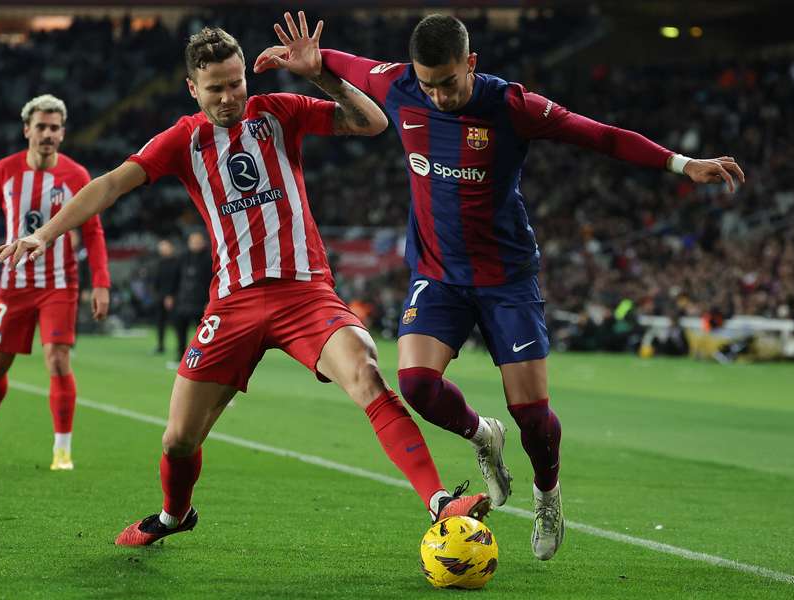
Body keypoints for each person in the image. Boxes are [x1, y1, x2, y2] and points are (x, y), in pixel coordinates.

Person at [256, 12, 745, 561]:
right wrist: (311, 66)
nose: (436, 95)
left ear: (471, 63)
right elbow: (338, 65)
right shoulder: (399, 85)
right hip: (438, 276)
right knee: (415, 384)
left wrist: (682, 163)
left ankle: (547, 492)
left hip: (506, 280)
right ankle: (480, 435)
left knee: (533, 414)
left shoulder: (513, 107)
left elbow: (601, 136)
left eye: (447, 81)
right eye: (427, 83)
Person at [0, 24, 489, 547]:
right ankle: (173, 515)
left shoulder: (277, 110)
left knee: (367, 374)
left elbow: (371, 123)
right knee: (179, 438)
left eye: (236, 83)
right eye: (216, 88)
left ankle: (439, 504)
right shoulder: (183, 140)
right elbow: (112, 183)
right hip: (232, 304)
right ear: (193, 88)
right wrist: (45, 234)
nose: (230, 96)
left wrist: (321, 75)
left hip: (306, 293)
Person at [0, 94, 111, 471]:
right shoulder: (5, 171)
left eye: (55, 128)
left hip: (60, 283)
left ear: (63, 133)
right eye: (41, 126)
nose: (48, 134)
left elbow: (94, 231)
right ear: (27, 130)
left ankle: (62, 449)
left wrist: (101, 282)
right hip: (14, 285)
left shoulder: (77, 176)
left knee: (57, 360)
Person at [171, 231, 213, 363]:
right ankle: (181, 357)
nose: (195, 244)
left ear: (204, 242)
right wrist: (171, 295)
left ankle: (201, 359)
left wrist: (210, 300)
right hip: (183, 301)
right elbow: (176, 278)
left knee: (201, 334)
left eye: (198, 241)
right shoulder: (182, 257)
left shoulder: (209, 258)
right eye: (193, 241)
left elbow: (213, 281)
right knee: (180, 331)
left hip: (200, 302)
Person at [151, 239, 179, 355]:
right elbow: (156, 281)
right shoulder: (159, 263)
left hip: (174, 297)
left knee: (177, 323)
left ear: (171, 248)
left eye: (165, 247)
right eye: (161, 248)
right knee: (160, 323)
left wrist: (171, 296)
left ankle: (180, 347)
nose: (163, 250)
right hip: (160, 297)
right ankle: (160, 345)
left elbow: (177, 280)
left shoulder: (177, 263)